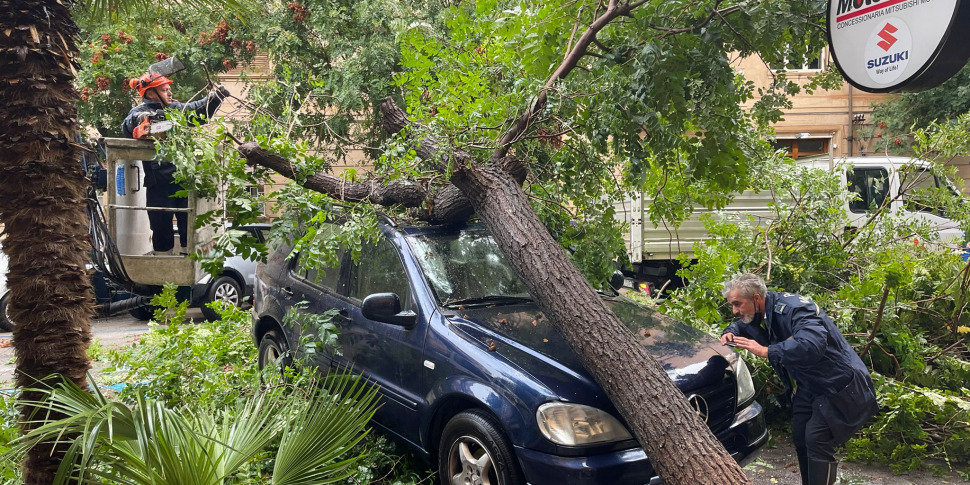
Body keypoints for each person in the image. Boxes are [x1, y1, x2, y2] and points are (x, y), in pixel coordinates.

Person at [720, 273, 878, 485]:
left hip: (836, 384)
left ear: (756, 298)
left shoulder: (794, 309)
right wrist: (730, 331)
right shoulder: (764, 309)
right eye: (732, 305)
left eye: (737, 304)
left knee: (816, 439)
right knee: (801, 435)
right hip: (808, 385)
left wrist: (767, 351)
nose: (735, 311)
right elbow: (743, 325)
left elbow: (812, 345)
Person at [120, 72, 229, 254]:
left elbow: (197, 109)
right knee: (161, 229)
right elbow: (128, 125)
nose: (169, 93)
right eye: (164, 90)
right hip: (159, 183)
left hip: (184, 180)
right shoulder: (139, 112)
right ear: (151, 93)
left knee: (189, 227)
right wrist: (144, 119)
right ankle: (162, 272)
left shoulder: (177, 109)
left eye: (169, 89)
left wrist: (215, 98)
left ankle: (187, 269)